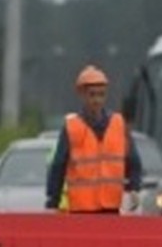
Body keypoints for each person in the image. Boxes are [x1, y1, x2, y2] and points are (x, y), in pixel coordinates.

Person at [45, 65, 142, 213]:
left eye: (101, 95)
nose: (97, 100)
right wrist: (53, 201)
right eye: (92, 95)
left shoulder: (118, 124)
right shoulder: (72, 127)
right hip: (81, 210)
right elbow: (58, 167)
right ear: (82, 95)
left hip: (111, 208)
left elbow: (133, 162)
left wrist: (134, 188)